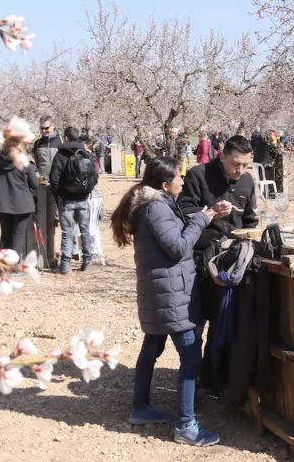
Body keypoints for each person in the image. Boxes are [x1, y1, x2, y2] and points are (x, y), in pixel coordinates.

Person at [110, 156, 219, 447]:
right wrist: (201, 220)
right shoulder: (156, 207)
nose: (182, 181)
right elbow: (178, 247)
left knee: (151, 347)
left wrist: (202, 217)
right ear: (163, 183)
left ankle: (140, 407)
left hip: (160, 291)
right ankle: (186, 426)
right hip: (170, 295)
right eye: (178, 177)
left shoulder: (155, 204)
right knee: (191, 357)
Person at [178, 135, 258, 249]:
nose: (240, 170)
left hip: (236, 248)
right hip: (203, 248)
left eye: (245, 165)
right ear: (222, 156)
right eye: (235, 164)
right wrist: (212, 212)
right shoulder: (198, 175)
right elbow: (183, 212)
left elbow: (250, 220)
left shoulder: (247, 180)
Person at [49, 127, 98, 274]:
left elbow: (54, 178)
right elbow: (94, 177)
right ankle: (87, 259)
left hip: (66, 199)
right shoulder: (85, 153)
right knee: (85, 230)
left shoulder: (60, 155)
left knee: (67, 231)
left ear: (66, 138)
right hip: (83, 198)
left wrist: (58, 194)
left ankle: (65, 264)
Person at [0, 141, 38, 259]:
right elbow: (35, 184)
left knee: (5, 235)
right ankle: (13, 265)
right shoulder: (26, 163)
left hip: (2, 203)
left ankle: (3, 265)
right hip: (22, 204)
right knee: (18, 235)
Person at [33, 115, 63, 183]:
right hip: (41, 182)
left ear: (53, 126)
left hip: (57, 183)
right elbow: (35, 162)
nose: (43, 130)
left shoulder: (61, 141)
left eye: (46, 128)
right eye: (41, 128)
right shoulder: (38, 143)